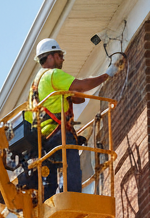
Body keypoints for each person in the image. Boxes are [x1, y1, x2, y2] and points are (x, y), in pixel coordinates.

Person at [29, 38, 121, 199]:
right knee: (70, 168)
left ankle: (46, 203)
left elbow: (56, 103)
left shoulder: (35, 86)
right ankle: (71, 198)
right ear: (49, 56)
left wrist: (69, 98)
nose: (62, 59)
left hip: (42, 140)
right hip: (59, 135)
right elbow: (81, 85)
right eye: (59, 55)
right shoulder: (52, 74)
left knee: (48, 181)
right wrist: (106, 75)